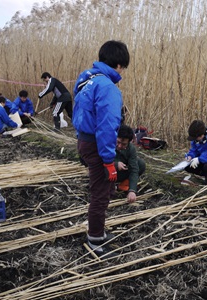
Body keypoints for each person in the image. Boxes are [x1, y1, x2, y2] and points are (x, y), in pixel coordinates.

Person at [73, 40, 130, 257]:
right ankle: (95, 238)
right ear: (118, 65)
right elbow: (107, 126)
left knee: (106, 188)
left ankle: (99, 230)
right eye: (123, 67)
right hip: (97, 145)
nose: (123, 71)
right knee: (100, 193)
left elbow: (79, 111)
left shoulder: (86, 78)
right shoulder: (108, 87)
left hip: (85, 141)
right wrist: (109, 161)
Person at [113, 124, 146, 203]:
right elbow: (98, 161)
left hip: (119, 173)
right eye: (118, 142)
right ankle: (107, 186)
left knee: (140, 164)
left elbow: (134, 169)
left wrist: (132, 190)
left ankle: (122, 185)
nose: (120, 146)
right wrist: (115, 164)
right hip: (105, 172)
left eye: (124, 144)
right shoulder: (107, 143)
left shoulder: (131, 149)